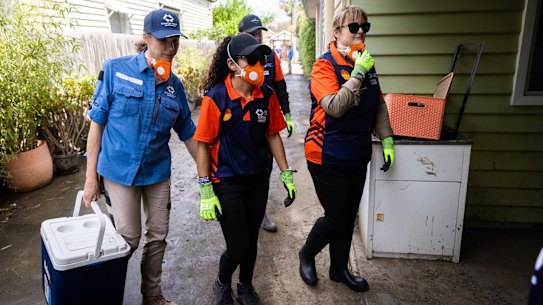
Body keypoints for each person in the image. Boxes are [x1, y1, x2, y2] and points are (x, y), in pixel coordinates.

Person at [82, 9, 197, 305]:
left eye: (175, 40)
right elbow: (97, 126)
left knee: (158, 236)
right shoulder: (116, 70)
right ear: (146, 38)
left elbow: (188, 133)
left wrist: (209, 175)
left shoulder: (176, 86)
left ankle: (152, 296)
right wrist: (90, 179)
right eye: (164, 40)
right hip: (119, 170)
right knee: (128, 239)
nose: (171, 47)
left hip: (157, 172)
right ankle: (105, 293)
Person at [194, 33, 297, 305]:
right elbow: (203, 145)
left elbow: (273, 135)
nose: (258, 65)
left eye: (260, 59)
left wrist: (286, 173)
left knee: (251, 241)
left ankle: (245, 285)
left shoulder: (267, 95)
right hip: (226, 182)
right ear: (231, 65)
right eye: (250, 59)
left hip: (257, 180)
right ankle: (222, 281)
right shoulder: (216, 99)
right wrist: (205, 189)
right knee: (238, 245)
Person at [299, 5, 395, 292]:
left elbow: (377, 102)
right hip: (325, 154)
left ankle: (339, 269)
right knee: (336, 216)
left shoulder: (366, 63)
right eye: (354, 27)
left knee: (348, 215)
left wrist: (387, 138)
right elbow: (335, 107)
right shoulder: (324, 65)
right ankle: (307, 252)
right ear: (338, 31)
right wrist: (357, 73)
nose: (361, 31)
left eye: (365, 26)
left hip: (357, 153)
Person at [238, 14, 295, 233]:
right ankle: (238, 210)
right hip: (240, 122)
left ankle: (259, 212)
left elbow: (280, 86)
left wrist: (287, 115)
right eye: (252, 34)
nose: (257, 37)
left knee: (264, 166)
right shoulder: (235, 58)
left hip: (264, 119)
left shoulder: (270, 57)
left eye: (259, 33)